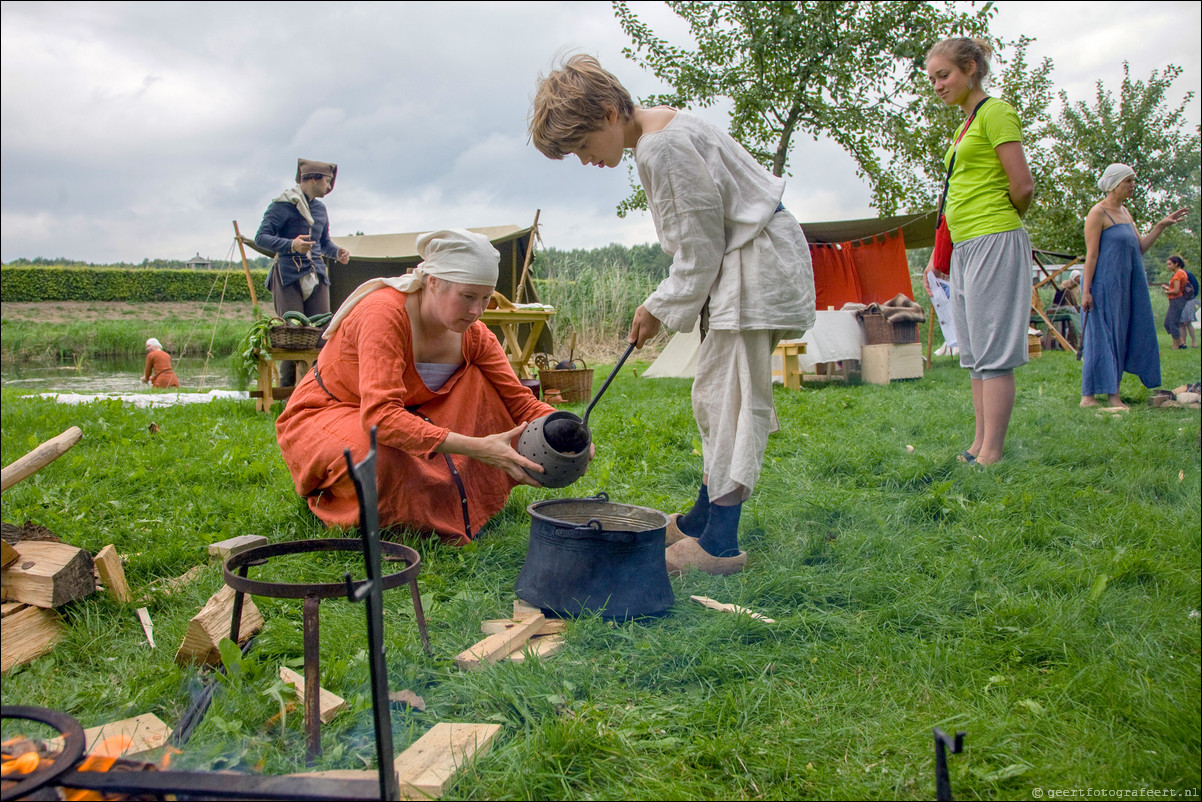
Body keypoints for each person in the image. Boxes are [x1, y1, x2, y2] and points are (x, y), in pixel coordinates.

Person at [530, 55, 815, 576]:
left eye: (583, 144)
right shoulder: (664, 127)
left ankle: (720, 546)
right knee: (716, 395)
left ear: (611, 111)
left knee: (731, 400)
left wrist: (656, 307)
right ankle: (702, 520)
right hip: (751, 260)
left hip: (755, 265)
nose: (585, 160)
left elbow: (699, 247)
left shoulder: (660, 147)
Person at [275, 229, 563, 544]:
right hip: (333, 411)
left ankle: (444, 507)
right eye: (468, 297)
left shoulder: (476, 335)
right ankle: (347, 504)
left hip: (416, 414)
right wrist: (475, 447)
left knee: (488, 392)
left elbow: (520, 401)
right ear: (433, 282)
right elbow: (381, 418)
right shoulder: (383, 314)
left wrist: (565, 431)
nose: (477, 311)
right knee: (376, 458)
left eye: (485, 298)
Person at [921, 38, 1034, 466]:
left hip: (993, 238)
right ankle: (978, 444)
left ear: (970, 68)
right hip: (966, 243)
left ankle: (993, 454)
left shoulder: (996, 113)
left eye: (943, 75)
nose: (937, 85)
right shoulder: (964, 125)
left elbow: (1021, 186)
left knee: (992, 349)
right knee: (973, 353)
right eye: (932, 79)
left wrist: (1000, 222)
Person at [1079, 165, 1187, 408]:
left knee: (1120, 337)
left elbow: (1139, 247)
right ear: (1115, 184)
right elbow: (1092, 255)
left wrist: (1160, 225)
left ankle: (1112, 394)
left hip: (1126, 287)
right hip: (1103, 286)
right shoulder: (1098, 213)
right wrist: (1086, 291)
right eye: (1129, 181)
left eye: (1133, 180)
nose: (1132, 185)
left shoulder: (1125, 212)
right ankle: (1090, 397)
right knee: (1101, 339)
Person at [255, 158, 350, 385]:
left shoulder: (320, 209)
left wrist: (337, 252)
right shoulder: (282, 205)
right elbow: (261, 237)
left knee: (320, 334)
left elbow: (323, 242)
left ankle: (317, 390)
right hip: (289, 274)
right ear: (314, 178)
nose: (329, 186)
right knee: (293, 334)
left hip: (317, 273)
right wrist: (291, 245)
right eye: (327, 181)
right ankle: (288, 392)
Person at [1161, 254, 1196, 349]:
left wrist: (1167, 291)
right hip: (1176, 299)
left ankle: (1177, 345)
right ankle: (1181, 342)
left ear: (1176, 264)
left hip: (1177, 300)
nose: (1168, 266)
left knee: (1173, 323)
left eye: (1169, 264)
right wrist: (1168, 288)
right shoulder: (1182, 273)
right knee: (1167, 323)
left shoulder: (1178, 274)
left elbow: (1176, 291)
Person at [1178, 259, 1199, 348]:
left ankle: (1194, 342)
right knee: (1181, 322)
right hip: (1179, 300)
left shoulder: (1187, 274)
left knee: (1188, 321)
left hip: (1189, 300)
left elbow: (1195, 286)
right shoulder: (1175, 275)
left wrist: (1192, 297)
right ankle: (1183, 342)